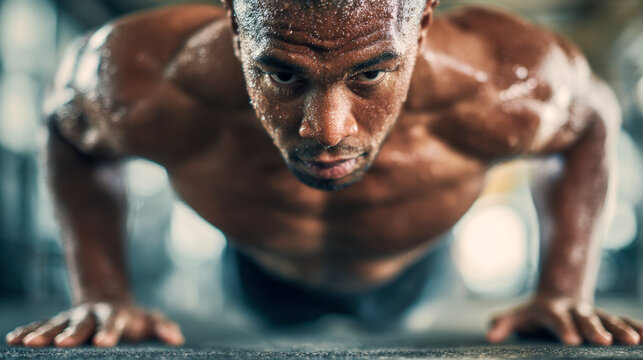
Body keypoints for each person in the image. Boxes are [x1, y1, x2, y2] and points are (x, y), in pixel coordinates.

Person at [5, 0, 642, 348]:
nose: (327, 131)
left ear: (420, 23)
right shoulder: (147, 79)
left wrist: (563, 287)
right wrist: (103, 293)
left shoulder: (505, 82)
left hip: (412, 275)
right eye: (283, 73)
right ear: (235, 25)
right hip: (257, 274)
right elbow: (68, 129)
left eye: (369, 73)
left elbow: (591, 122)